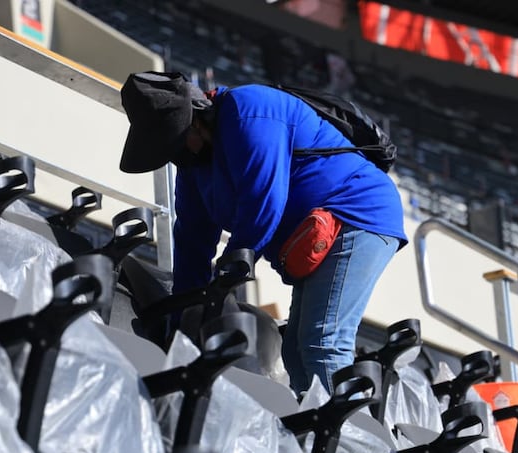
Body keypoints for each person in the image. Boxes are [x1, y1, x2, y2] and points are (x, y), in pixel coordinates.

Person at [118, 71, 407, 394]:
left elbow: (264, 202)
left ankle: (353, 444)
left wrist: (230, 267)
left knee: (322, 341)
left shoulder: (248, 109)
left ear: (195, 121)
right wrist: (179, 325)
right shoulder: (193, 167)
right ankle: (316, 436)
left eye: (174, 140)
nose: (174, 154)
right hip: (317, 237)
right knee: (295, 352)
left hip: (357, 215)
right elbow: (191, 243)